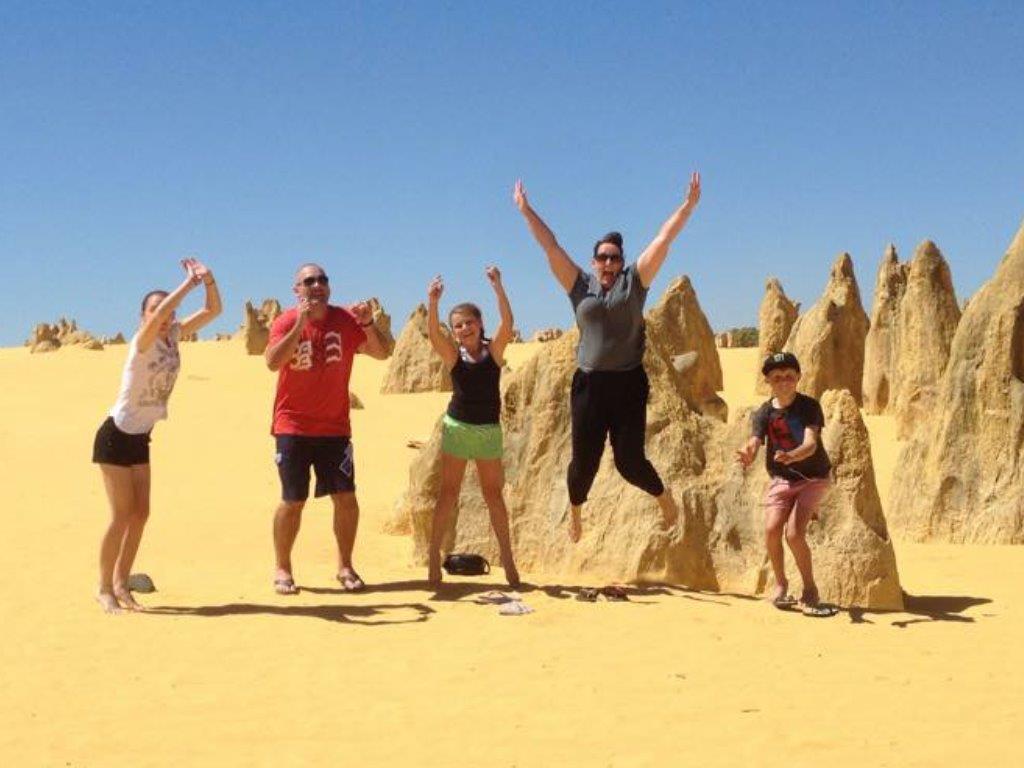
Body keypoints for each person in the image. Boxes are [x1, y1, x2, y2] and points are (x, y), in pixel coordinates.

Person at [513, 173, 701, 542]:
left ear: (622, 261)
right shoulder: (578, 285)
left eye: (615, 257)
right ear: (594, 261)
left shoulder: (634, 282)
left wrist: (687, 207)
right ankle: (576, 511)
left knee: (629, 462)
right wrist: (525, 210)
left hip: (628, 384)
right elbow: (550, 246)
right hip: (589, 385)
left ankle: (664, 498)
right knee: (584, 463)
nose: (609, 263)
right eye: (603, 257)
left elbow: (663, 240)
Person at [93, 258, 222, 613]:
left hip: (140, 437)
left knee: (141, 514)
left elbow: (213, 310)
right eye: (156, 311)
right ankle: (103, 587)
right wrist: (188, 284)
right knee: (121, 515)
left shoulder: (173, 335)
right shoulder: (143, 341)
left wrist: (208, 280)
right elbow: (163, 313)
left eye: (168, 314)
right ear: (143, 317)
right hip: (116, 435)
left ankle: (122, 584)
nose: (164, 318)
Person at [264, 263, 390, 595]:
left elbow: (381, 353)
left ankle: (345, 566)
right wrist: (300, 323)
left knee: (346, 497)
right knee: (293, 500)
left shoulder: (345, 320)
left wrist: (367, 323)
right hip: (292, 425)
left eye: (322, 279)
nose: (317, 284)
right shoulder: (285, 321)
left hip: (335, 427)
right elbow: (273, 362)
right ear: (297, 290)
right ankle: (282, 567)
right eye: (309, 281)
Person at [424, 267, 520, 588]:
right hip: (458, 429)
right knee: (448, 493)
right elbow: (434, 336)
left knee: (493, 495)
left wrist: (498, 287)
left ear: (480, 324)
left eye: (469, 323)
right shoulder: (454, 355)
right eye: (458, 325)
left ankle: (508, 559)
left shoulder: (494, 352)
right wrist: (433, 302)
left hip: (488, 431)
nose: (464, 328)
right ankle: (433, 557)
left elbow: (508, 323)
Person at [736, 352, 836, 617]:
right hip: (782, 478)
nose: (783, 382)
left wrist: (792, 456)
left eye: (789, 376)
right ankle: (781, 584)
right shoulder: (764, 413)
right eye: (777, 377)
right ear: (768, 381)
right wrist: (749, 450)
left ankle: (810, 590)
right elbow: (755, 440)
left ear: (798, 377)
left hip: (813, 478)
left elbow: (811, 443)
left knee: (793, 534)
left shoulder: (809, 406)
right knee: (771, 530)